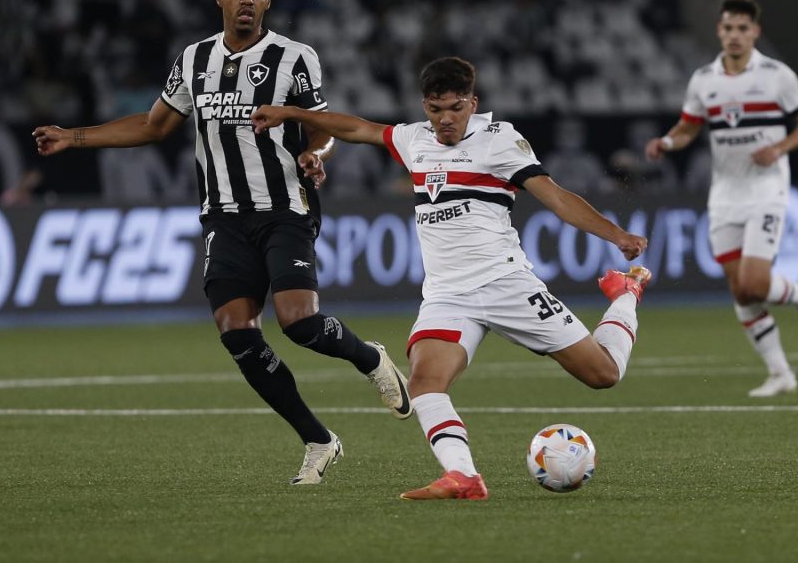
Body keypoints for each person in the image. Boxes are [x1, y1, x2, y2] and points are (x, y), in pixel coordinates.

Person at [32, 0, 412, 486]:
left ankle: (371, 358)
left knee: (299, 322)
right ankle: (318, 440)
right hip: (224, 217)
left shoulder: (294, 58)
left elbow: (322, 126)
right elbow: (152, 125)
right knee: (237, 332)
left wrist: (316, 153)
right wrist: (73, 137)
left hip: (284, 208)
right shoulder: (193, 60)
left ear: (268, 3)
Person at [252, 56, 651, 501]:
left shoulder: (500, 141)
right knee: (424, 383)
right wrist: (291, 113)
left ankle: (626, 293)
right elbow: (355, 128)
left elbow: (555, 197)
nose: (445, 120)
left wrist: (616, 235)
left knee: (603, 373)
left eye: (456, 108)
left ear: (472, 103)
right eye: (435, 109)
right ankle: (464, 477)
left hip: (506, 283)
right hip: (447, 294)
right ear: (425, 106)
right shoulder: (413, 139)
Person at [644, 0, 798, 398]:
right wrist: (667, 142)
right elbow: (689, 127)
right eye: (728, 28)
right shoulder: (704, 80)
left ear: (755, 32)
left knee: (754, 282)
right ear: (719, 31)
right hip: (725, 195)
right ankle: (781, 373)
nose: (734, 35)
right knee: (741, 292)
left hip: (767, 190)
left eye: (742, 28)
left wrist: (779, 149)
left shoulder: (777, 76)